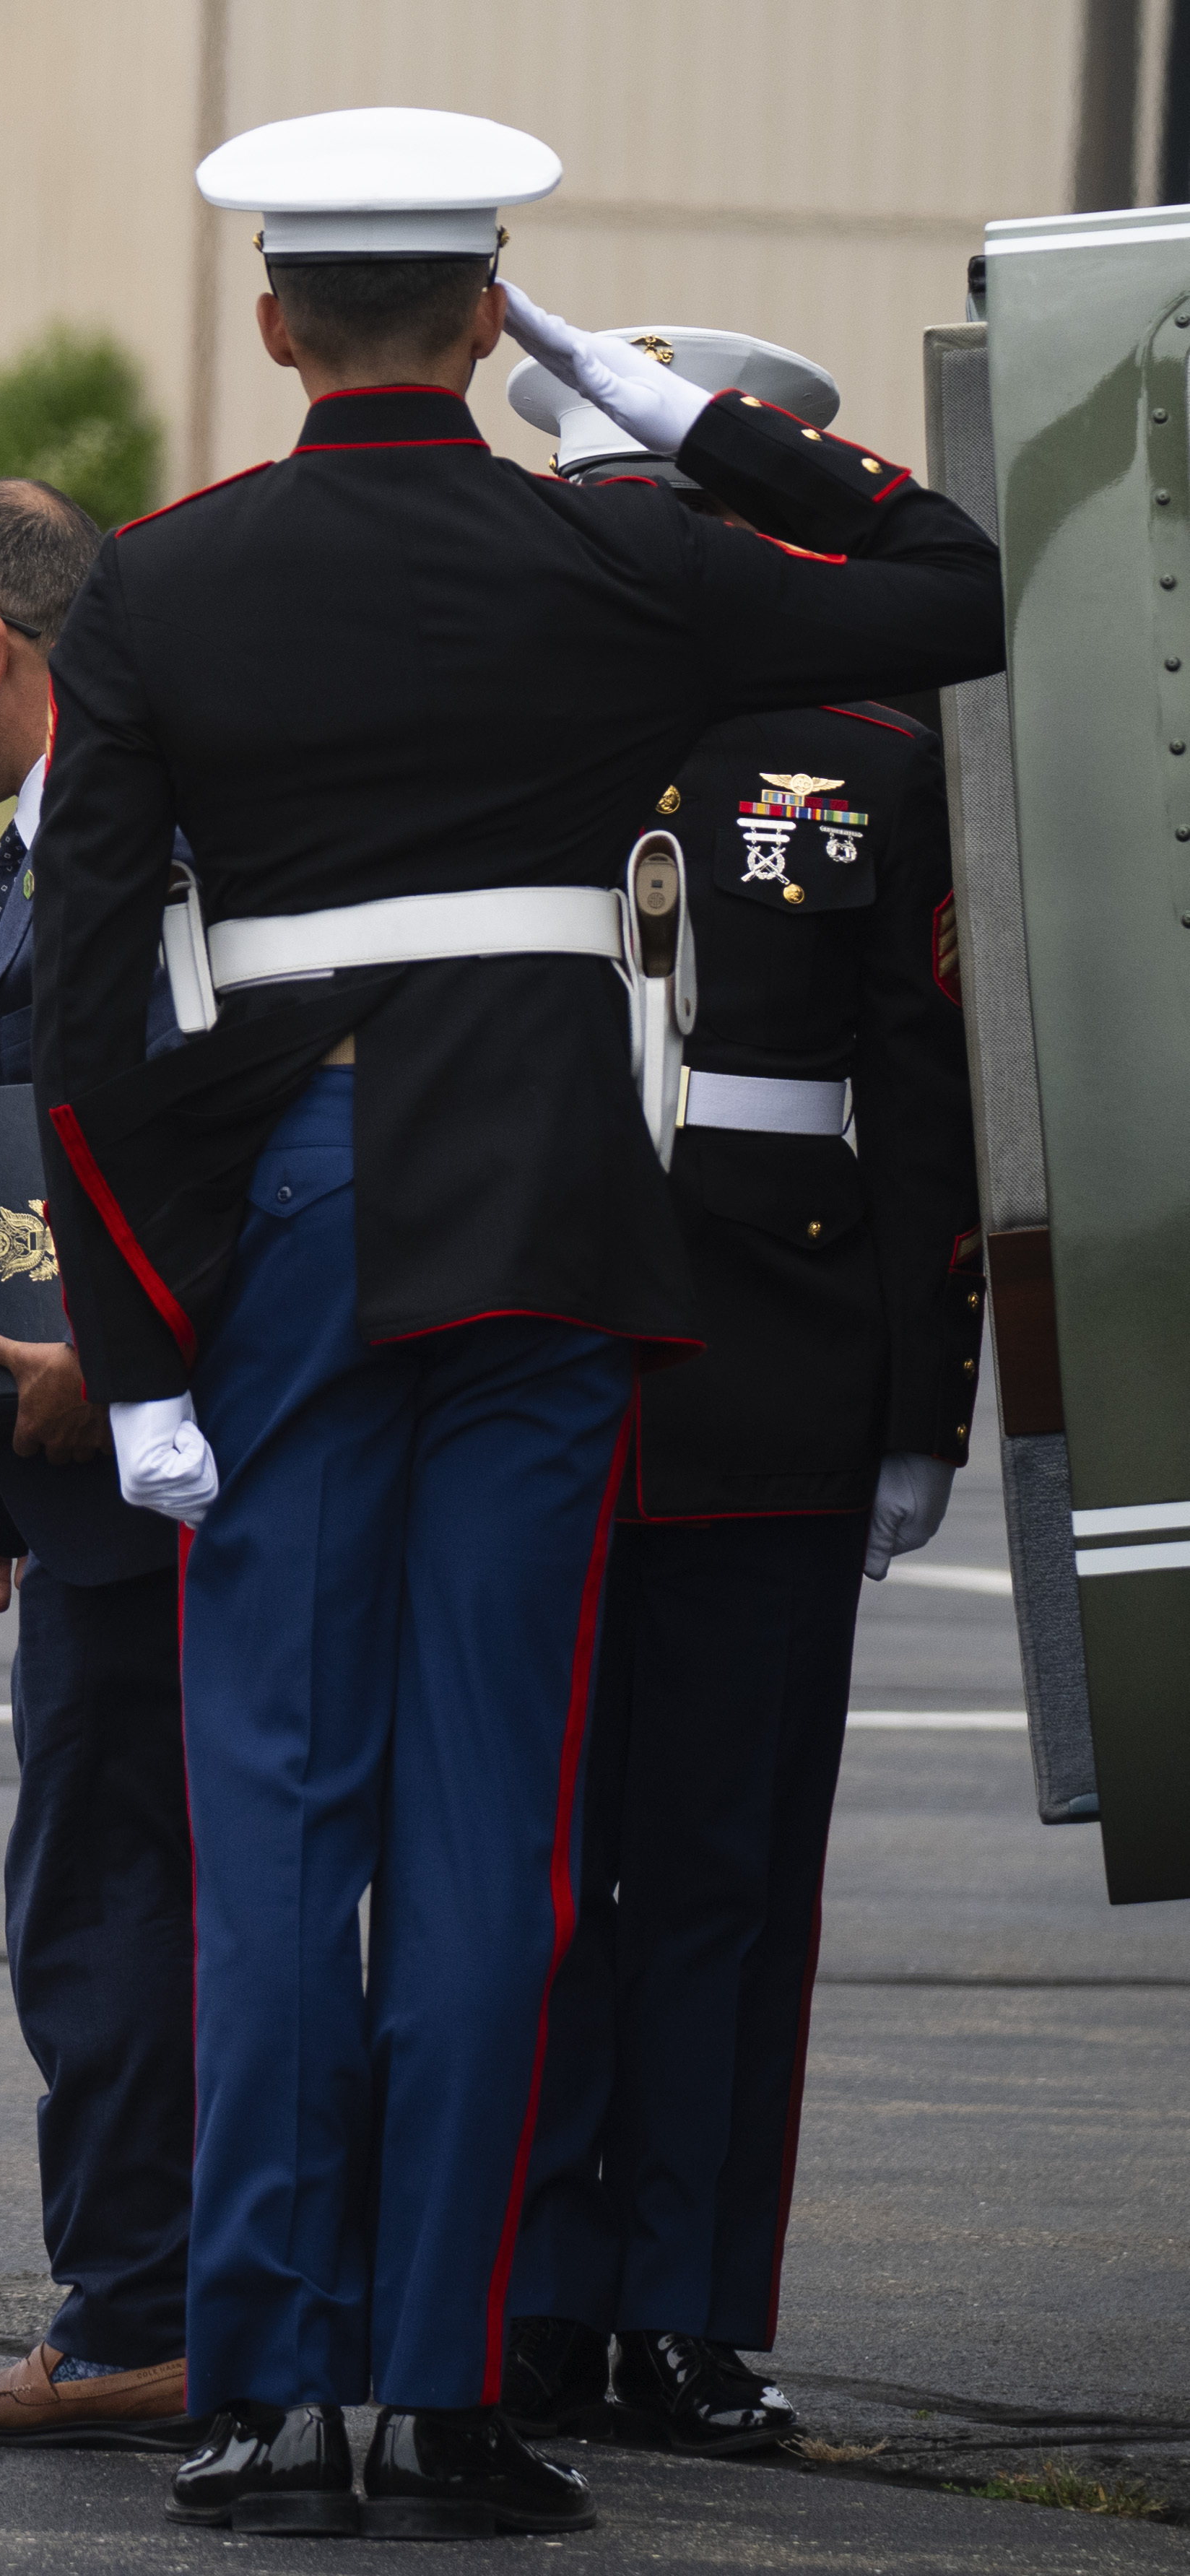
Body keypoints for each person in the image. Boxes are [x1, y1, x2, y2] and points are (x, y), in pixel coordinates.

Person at [24, 108, 1004, 2541]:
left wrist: (142, 1355)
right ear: (486, 319)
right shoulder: (625, 550)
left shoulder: (160, 585)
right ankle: (451, 2389)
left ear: (272, 322)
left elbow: (86, 1006)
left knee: (277, 1814)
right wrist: (682, 410)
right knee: (496, 1832)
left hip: (292, 1209)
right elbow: (957, 575)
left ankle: (258, 2383)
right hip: (555, 1210)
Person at [492, 331, 985, 2455]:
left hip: (766, 1366)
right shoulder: (489, 716)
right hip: (512, 1345)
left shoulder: (865, 743)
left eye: (677, 491)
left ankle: (684, 2306)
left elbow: (921, 1088)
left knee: (718, 1870)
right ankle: (516, 2296)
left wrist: (916, 1398)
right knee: (519, 1864)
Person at [0, 482, 198, 2453]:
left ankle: (142, 2311)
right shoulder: (50, 829)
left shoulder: (121, 833)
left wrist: (100, 1359)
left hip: (157, 1451)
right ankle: (163, 2288)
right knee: (115, 1875)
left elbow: (176, 1128)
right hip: (76, 1447)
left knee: (107, 1888)